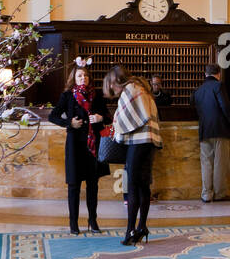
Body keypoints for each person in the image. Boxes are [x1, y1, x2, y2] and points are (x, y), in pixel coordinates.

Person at [49, 62, 110, 234]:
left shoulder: (96, 96)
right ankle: (73, 223)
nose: (83, 78)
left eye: (85, 75)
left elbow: (108, 117)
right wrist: (69, 123)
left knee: (93, 185)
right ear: (74, 79)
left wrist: (100, 118)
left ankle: (93, 221)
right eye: (79, 76)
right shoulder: (67, 96)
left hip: (93, 146)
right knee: (74, 185)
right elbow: (53, 116)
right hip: (75, 145)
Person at [105, 64, 162, 245]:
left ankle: (130, 230)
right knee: (143, 184)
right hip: (150, 141)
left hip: (138, 142)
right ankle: (141, 227)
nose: (112, 89)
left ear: (116, 80)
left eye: (111, 85)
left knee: (131, 185)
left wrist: (115, 132)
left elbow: (122, 119)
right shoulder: (143, 88)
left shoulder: (130, 89)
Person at [192, 63, 230, 203]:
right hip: (220, 129)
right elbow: (225, 106)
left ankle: (206, 194)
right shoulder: (218, 86)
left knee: (206, 163)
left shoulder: (198, 90)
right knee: (220, 163)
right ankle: (219, 194)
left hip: (204, 130)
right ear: (219, 74)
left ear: (205, 74)